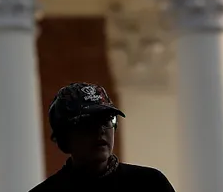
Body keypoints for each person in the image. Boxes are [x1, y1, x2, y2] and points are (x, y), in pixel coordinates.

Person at [29, 82, 176, 191]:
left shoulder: (151, 184)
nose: (100, 130)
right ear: (64, 138)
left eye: (107, 120)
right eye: (87, 123)